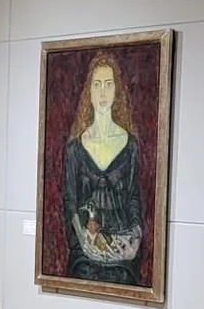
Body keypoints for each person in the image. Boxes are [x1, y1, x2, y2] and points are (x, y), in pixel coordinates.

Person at [61, 54, 145, 285]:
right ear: (88, 91)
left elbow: (133, 198)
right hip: (84, 254)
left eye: (108, 84)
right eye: (96, 85)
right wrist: (84, 241)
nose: (102, 92)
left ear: (117, 91)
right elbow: (70, 203)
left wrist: (134, 238)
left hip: (122, 252)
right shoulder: (74, 149)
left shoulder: (130, 146)